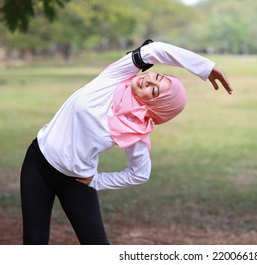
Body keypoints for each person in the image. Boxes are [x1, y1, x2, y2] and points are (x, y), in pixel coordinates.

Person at [20, 39, 233, 245]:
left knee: (97, 246)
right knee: (34, 243)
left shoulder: (134, 130)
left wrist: (97, 181)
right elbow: (155, 49)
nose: (148, 81)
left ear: (156, 107)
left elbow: (140, 173)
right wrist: (206, 67)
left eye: (155, 90)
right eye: (156, 76)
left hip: (74, 182)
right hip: (38, 161)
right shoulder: (116, 77)